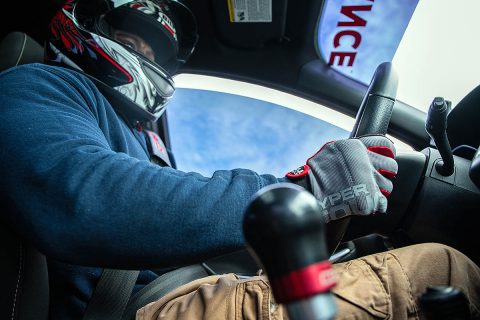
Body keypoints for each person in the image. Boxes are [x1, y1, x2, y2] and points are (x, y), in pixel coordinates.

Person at [0, 0, 478, 319]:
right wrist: (304, 191)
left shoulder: (142, 139)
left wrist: (332, 221)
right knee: (445, 271)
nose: (144, 54)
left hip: (180, 293)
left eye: (155, 51)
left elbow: (190, 218)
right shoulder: (41, 86)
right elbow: (88, 198)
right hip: (148, 311)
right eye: (131, 39)